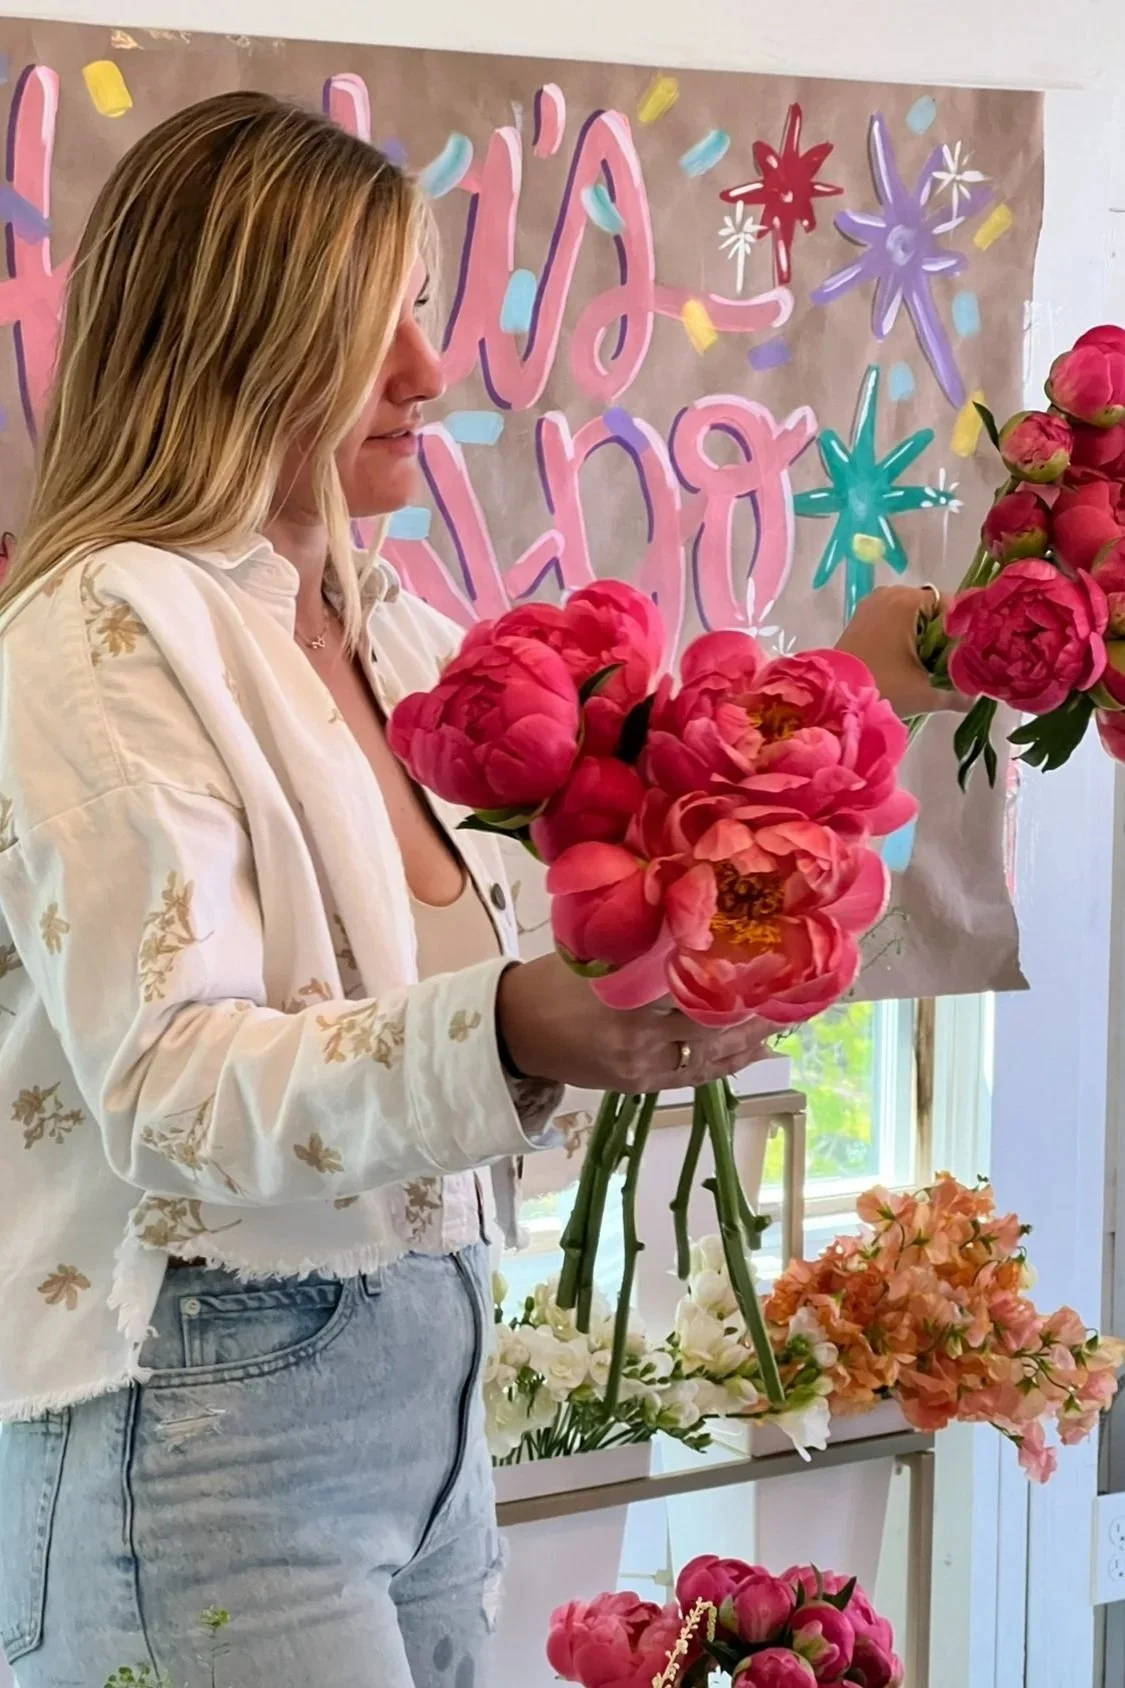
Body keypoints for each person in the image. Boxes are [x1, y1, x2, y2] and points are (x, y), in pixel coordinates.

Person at [0, 92, 960, 1688]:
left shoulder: (392, 636)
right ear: (239, 339)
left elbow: (634, 805)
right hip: (199, 1416)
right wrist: (519, 1028)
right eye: (367, 327)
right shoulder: (101, 639)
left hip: (424, 1389)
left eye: (425, 314)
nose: (430, 374)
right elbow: (166, 1085)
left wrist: (854, 702)